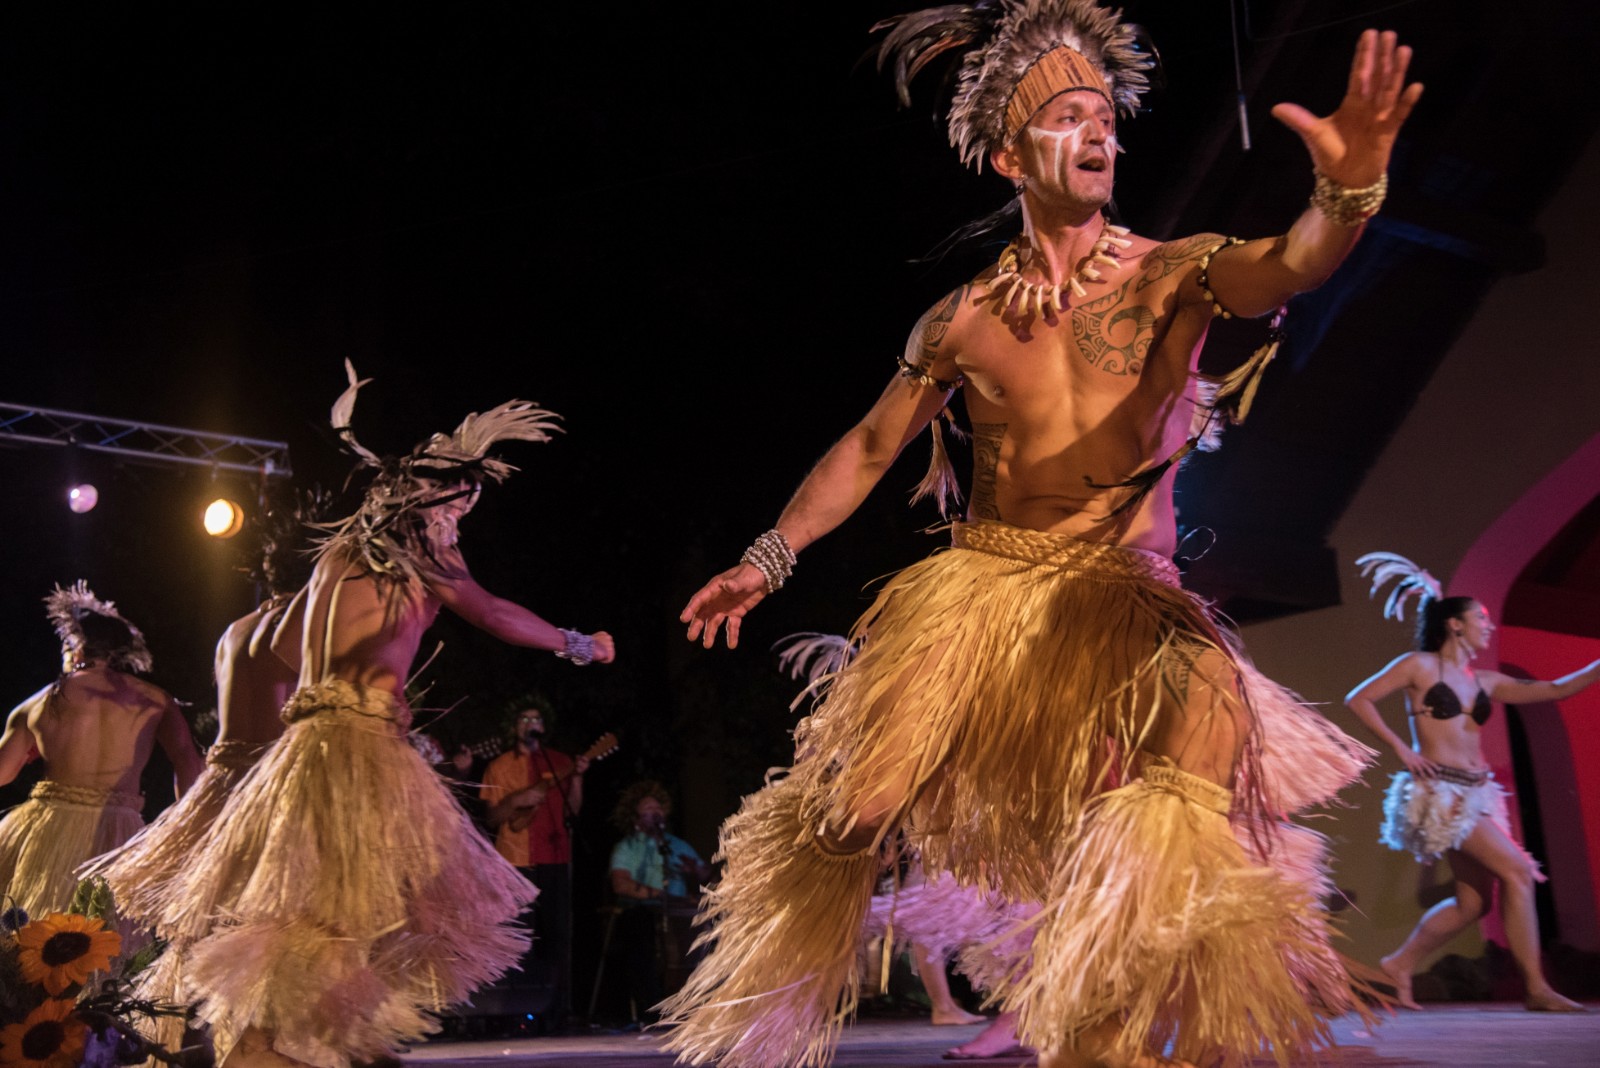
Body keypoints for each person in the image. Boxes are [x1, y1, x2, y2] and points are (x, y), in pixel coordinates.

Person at [665, 3, 1421, 1066]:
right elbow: (871, 446)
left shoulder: (1175, 272)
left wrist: (1349, 191)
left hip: (1131, 598)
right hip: (986, 591)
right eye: (1069, 116)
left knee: (1179, 795)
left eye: (1106, 114)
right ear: (1011, 156)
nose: (1099, 130)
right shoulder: (961, 318)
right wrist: (767, 556)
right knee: (854, 807)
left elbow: (1291, 264)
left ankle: (1106, 1031)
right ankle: (760, 1014)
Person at [157, 363, 617, 1068]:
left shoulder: (336, 554)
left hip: (300, 747)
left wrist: (348, 662)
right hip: (358, 743)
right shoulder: (423, 547)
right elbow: (492, 612)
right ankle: (297, 1044)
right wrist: (578, 644)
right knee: (361, 902)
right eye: (461, 504)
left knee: (316, 901)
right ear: (432, 497)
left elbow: (283, 649)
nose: (461, 520)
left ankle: (291, 1040)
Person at [87, 490, 322, 1055]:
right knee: (282, 925)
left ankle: (226, 1043)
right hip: (270, 783)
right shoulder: (302, 624)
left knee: (225, 928)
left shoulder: (234, 629)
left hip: (222, 786)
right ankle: (267, 1048)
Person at [1345, 551, 1600, 1014]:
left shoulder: (1486, 681)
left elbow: (1557, 688)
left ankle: (1399, 964)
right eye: (1481, 618)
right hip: (1439, 793)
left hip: (1478, 793)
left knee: (1472, 904)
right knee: (1517, 871)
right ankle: (1536, 987)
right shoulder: (1418, 665)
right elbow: (1358, 698)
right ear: (1455, 625)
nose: (1490, 625)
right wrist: (1402, 748)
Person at [0, 582, 202, 926]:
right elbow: (188, 763)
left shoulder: (39, 702)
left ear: (74, 647)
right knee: (111, 938)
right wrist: (186, 828)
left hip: (47, 828)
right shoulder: (155, 700)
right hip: (120, 831)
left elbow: (3, 772)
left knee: (33, 930)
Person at [480, 705, 592, 1032]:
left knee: (556, 938)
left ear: (544, 726)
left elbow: (572, 811)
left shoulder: (558, 762)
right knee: (517, 937)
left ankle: (556, 1012)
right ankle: (511, 1013)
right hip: (515, 860)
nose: (531, 723)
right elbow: (491, 819)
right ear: (514, 725)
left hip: (555, 858)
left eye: (537, 719)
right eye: (524, 719)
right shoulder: (499, 766)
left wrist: (578, 778)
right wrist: (514, 801)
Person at [607, 780, 713, 1023]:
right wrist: (657, 895)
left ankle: (694, 1001)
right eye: (648, 808)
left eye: (658, 808)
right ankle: (652, 1008)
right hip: (642, 910)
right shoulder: (628, 847)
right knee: (639, 930)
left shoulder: (676, 845)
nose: (655, 812)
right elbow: (620, 884)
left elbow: (707, 875)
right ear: (635, 817)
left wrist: (698, 871)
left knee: (704, 925)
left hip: (677, 910)